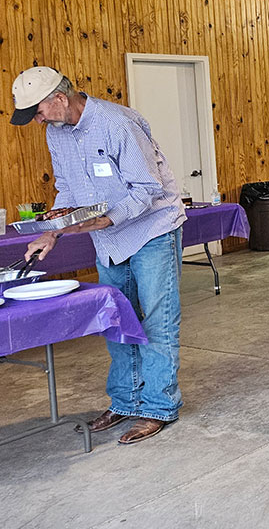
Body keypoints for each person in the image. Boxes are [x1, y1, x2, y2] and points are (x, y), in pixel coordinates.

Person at [12, 66, 186, 445]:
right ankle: (125, 400)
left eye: (38, 111)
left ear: (58, 99)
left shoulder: (117, 123)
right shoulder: (55, 134)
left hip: (150, 229)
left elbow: (147, 189)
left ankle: (157, 406)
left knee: (157, 321)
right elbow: (67, 189)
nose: (38, 120)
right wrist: (51, 232)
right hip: (109, 239)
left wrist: (107, 219)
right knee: (116, 321)